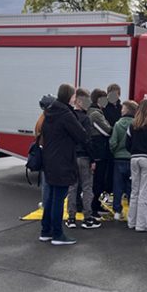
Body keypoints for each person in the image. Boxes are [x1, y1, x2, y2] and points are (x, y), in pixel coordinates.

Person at [40, 84, 88, 245]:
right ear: (69, 96)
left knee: (51, 197)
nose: (75, 98)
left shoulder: (50, 112)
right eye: (74, 95)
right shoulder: (66, 114)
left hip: (50, 159)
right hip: (63, 161)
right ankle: (58, 234)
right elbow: (81, 135)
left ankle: (45, 231)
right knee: (59, 199)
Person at [65, 88, 102, 230]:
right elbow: (88, 140)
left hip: (72, 156)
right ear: (79, 101)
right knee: (87, 187)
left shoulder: (69, 116)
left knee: (72, 188)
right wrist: (93, 159)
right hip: (85, 156)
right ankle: (87, 218)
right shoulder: (85, 119)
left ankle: (71, 218)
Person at [125, 98, 147, 232]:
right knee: (146, 191)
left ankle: (131, 221)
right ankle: (142, 224)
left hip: (134, 158)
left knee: (135, 191)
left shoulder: (132, 125)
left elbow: (127, 145)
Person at [109, 100, 138, 220]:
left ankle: (117, 211)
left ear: (126, 110)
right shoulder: (137, 124)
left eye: (122, 108)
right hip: (132, 158)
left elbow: (113, 142)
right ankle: (132, 211)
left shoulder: (118, 124)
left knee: (118, 186)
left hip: (119, 159)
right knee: (131, 186)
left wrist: (115, 152)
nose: (121, 110)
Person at [87, 88, 112, 217]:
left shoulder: (96, 112)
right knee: (97, 181)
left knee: (98, 181)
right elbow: (107, 130)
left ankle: (95, 205)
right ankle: (93, 208)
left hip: (98, 151)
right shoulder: (95, 114)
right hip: (98, 151)